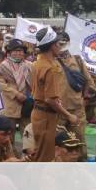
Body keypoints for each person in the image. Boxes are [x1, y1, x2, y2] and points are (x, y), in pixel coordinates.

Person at [30, 27, 79, 162]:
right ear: (52, 46)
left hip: (40, 114)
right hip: (45, 115)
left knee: (40, 154)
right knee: (44, 158)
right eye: (58, 44)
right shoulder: (49, 68)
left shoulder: (38, 63)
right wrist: (69, 116)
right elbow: (50, 100)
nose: (60, 47)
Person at [56, 32, 94, 160]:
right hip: (58, 109)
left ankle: (81, 167)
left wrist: (86, 98)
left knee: (79, 139)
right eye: (59, 42)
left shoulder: (77, 59)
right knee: (58, 140)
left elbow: (89, 81)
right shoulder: (50, 61)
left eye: (64, 41)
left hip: (77, 108)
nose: (62, 45)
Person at [0, 39, 32, 143]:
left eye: (21, 51)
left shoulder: (29, 65)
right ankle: (11, 156)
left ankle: (29, 156)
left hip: (27, 104)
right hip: (11, 105)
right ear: (9, 52)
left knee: (28, 135)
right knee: (9, 136)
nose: (18, 53)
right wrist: (16, 94)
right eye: (15, 51)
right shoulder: (3, 66)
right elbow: (0, 84)